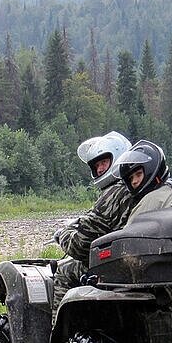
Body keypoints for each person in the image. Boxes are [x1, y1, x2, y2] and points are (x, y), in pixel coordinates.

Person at [51, 131, 135, 311]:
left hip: (119, 265)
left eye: (104, 162)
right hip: (144, 262)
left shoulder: (114, 192)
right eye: (96, 165)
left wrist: (64, 234)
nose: (99, 170)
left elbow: (79, 247)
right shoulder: (140, 184)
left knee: (64, 272)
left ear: (119, 156)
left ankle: (58, 333)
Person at [116, 140, 172, 221]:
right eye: (131, 178)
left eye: (138, 174)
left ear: (151, 170)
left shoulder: (152, 200)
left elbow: (129, 232)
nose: (134, 181)